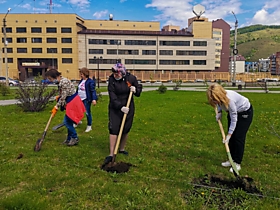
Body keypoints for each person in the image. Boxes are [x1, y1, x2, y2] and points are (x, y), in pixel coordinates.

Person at [206, 83, 253, 173]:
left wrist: (229, 134)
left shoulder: (230, 100)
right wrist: (219, 112)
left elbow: (234, 119)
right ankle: (231, 159)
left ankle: (237, 162)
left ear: (220, 95)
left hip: (244, 113)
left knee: (238, 137)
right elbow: (219, 104)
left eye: (215, 99)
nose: (215, 102)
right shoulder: (219, 99)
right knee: (231, 139)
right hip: (232, 112)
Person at [104, 63, 142, 164]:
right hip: (115, 107)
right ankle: (112, 153)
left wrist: (135, 90)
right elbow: (112, 96)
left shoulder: (131, 78)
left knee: (125, 128)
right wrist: (120, 107)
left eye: (117, 74)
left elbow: (138, 91)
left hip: (128, 105)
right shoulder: (112, 80)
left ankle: (121, 149)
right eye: (114, 74)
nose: (115, 75)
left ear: (122, 73)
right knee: (114, 128)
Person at [46, 69, 85, 146]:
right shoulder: (61, 81)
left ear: (55, 76)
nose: (50, 81)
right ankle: (69, 139)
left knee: (67, 122)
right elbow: (63, 95)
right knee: (69, 121)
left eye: (50, 79)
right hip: (70, 102)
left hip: (73, 102)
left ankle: (75, 138)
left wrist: (57, 106)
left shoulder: (64, 82)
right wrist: (59, 97)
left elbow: (64, 97)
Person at [75, 67, 98, 132]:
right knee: (78, 111)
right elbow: (78, 89)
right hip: (79, 99)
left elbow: (92, 91)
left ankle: (89, 126)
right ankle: (77, 121)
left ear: (85, 74)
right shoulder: (81, 81)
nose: (80, 75)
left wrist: (94, 99)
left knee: (87, 112)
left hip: (86, 99)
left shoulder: (90, 82)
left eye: (81, 74)